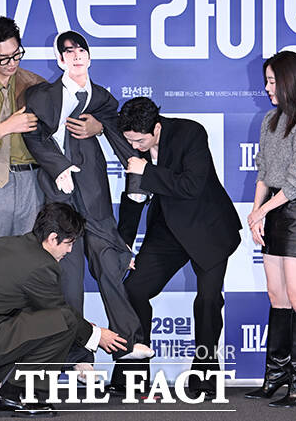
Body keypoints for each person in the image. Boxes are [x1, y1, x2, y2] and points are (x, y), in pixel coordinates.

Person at [22, 31, 153, 365]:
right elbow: (34, 137)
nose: (76, 55)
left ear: (90, 56)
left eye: (81, 50)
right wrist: (59, 166)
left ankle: (127, 341)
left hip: (93, 189)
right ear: (60, 60)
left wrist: (138, 180)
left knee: (108, 260)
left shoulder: (103, 99)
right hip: (58, 191)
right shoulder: (40, 95)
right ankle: (76, 352)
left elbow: (121, 140)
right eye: (69, 51)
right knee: (68, 271)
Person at [0, 203, 130, 417]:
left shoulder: (6, 244)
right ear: (53, 238)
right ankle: (19, 394)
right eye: (69, 243)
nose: (70, 250)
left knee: (32, 325)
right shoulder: (40, 265)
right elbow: (62, 315)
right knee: (62, 323)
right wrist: (97, 335)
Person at [0, 16, 100, 267]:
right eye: (3, 58)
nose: (12, 63)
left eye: (17, 54)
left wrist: (97, 127)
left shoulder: (35, 84)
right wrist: (3, 129)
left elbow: (64, 125)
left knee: (30, 263)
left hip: (34, 183)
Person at [114, 97, 243, 398]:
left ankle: (205, 378)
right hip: (167, 230)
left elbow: (192, 185)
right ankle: (132, 375)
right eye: (129, 140)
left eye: (139, 140)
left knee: (208, 301)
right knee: (133, 290)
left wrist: (147, 171)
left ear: (156, 128)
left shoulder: (190, 133)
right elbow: (133, 199)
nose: (134, 146)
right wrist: (123, 246)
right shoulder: (137, 150)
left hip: (207, 228)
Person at [244, 50, 296, 407]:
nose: (267, 88)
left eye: (273, 81)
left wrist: (263, 209)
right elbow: (263, 170)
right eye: (266, 81)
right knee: (276, 295)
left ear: (291, 82)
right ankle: (276, 374)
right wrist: (256, 212)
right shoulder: (269, 120)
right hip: (274, 208)